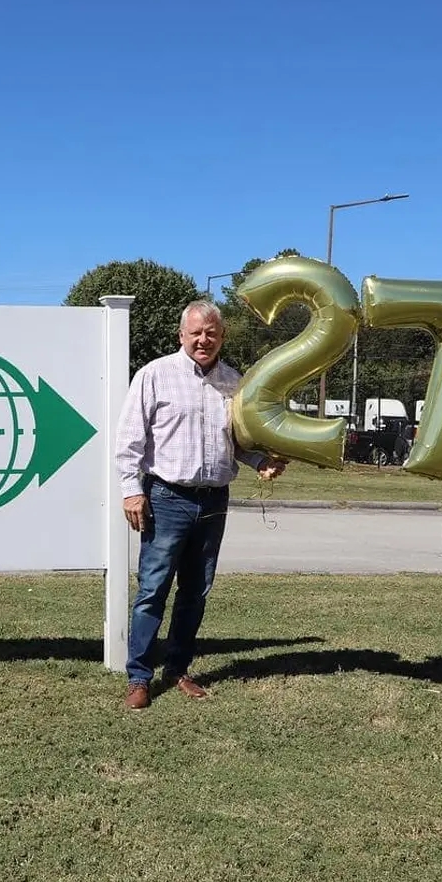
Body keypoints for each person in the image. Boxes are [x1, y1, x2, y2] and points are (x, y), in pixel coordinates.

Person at [115, 299, 285, 709]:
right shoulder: (155, 375)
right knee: (153, 588)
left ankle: (177, 669)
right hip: (166, 497)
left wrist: (260, 461)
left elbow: (239, 442)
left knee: (196, 591)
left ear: (222, 337)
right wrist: (131, 489)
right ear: (182, 336)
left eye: (211, 333)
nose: (203, 340)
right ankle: (139, 677)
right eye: (196, 333)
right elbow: (129, 439)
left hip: (213, 501)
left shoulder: (235, 383)